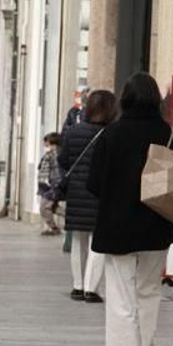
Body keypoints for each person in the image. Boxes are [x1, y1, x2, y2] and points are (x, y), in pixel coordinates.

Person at [86, 74, 173, 346]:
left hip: (118, 226)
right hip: (157, 225)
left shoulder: (112, 134)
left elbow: (94, 183)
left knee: (121, 296)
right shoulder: (168, 133)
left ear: (126, 99)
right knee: (148, 293)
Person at [59, 89, 115, 302]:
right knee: (96, 241)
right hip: (100, 192)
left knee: (77, 240)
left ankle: (77, 285)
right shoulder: (110, 133)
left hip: (76, 192)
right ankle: (91, 289)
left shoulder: (73, 131)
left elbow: (63, 160)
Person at [36, 132, 64, 236]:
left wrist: (55, 185)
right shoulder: (50, 153)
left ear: (52, 142)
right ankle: (72, 217)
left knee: (44, 208)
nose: (45, 143)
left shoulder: (55, 154)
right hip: (47, 185)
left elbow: (57, 171)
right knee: (53, 208)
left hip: (51, 186)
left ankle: (54, 228)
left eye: (46, 141)